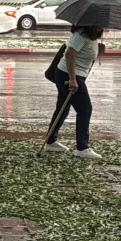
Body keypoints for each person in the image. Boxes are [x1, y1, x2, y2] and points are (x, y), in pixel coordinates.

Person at [44, 24, 107, 159]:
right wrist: (72, 79)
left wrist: (98, 51)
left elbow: (84, 55)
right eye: (100, 26)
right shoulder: (81, 35)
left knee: (63, 107)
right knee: (85, 109)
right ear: (91, 24)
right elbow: (70, 53)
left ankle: (50, 141)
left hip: (71, 75)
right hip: (69, 75)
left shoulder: (91, 38)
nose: (103, 28)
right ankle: (82, 147)